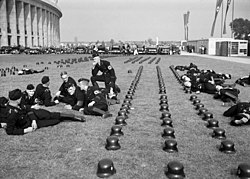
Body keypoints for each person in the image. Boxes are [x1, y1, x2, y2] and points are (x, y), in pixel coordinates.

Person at [0, 89, 85, 135]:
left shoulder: (18, 104)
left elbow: (28, 110)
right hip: (28, 124)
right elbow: (10, 131)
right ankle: (67, 119)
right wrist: (25, 130)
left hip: (33, 116)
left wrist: (33, 119)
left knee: (50, 114)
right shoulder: (11, 113)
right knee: (55, 121)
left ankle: (73, 116)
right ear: (17, 99)